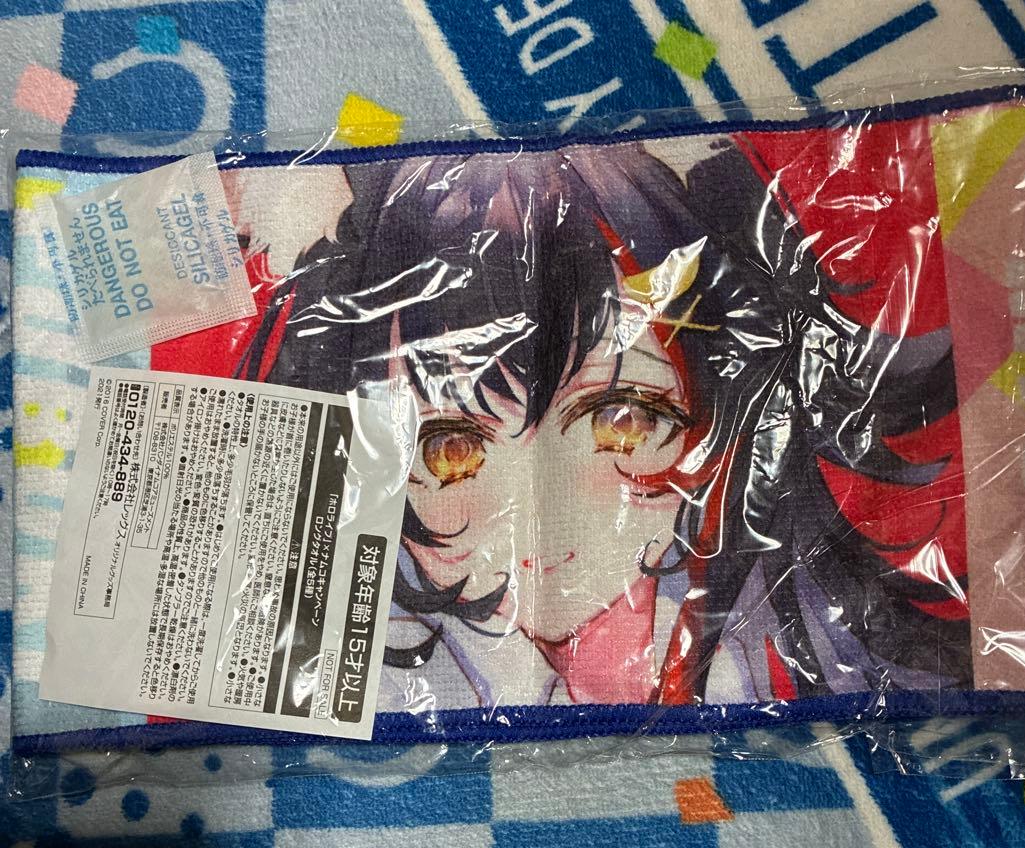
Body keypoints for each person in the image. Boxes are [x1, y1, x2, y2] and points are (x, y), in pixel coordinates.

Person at [238, 135, 970, 712]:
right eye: (452, 447)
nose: (541, 507)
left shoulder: (828, 642)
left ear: (715, 396)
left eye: (622, 419)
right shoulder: (330, 643)